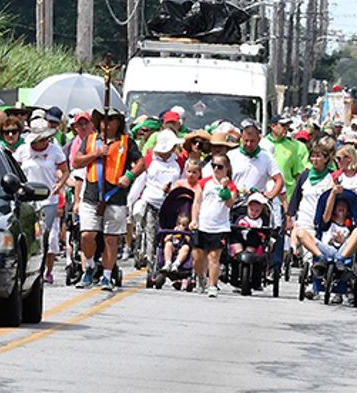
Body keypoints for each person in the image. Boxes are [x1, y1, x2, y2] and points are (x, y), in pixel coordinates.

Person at [72, 108, 144, 291]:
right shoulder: (90, 140)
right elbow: (76, 161)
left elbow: (141, 163)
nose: (108, 123)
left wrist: (129, 175)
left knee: (111, 239)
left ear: (118, 122)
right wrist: (96, 154)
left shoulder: (126, 142)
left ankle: (107, 275)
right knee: (87, 235)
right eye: (104, 120)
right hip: (91, 195)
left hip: (115, 196)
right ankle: (88, 267)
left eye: (112, 119)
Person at [13, 119, 69, 284]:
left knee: (48, 235)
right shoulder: (23, 150)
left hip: (48, 198)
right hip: (28, 199)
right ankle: (31, 268)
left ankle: (47, 270)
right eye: (41, 139)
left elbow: (65, 170)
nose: (44, 142)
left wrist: (60, 184)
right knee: (31, 234)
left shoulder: (55, 150)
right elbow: (15, 170)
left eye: (46, 138)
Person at [286, 136, 337, 298]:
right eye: (313, 156)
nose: (315, 159)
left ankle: (316, 282)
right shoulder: (305, 176)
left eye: (319, 156)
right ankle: (309, 282)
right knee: (307, 251)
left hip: (323, 219)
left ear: (326, 159)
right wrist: (290, 216)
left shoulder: (332, 177)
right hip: (305, 217)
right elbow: (296, 198)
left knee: (318, 248)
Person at [132, 130, 184, 266]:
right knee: (150, 231)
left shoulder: (179, 162)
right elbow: (140, 182)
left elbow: (182, 181)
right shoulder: (149, 160)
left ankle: (165, 258)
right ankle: (150, 260)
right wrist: (130, 202)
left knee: (167, 234)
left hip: (171, 204)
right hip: (151, 202)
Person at [190, 153, 238, 297]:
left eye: (220, 166)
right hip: (203, 224)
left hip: (219, 226)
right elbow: (197, 202)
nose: (216, 169)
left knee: (214, 257)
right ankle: (200, 278)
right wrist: (194, 220)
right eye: (214, 166)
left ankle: (212, 285)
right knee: (197, 257)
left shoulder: (231, 186)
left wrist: (224, 188)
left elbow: (230, 203)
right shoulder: (204, 183)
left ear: (226, 168)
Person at [228, 119, 284, 206]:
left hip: (256, 205)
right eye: (246, 141)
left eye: (252, 141)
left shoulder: (267, 157)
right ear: (242, 139)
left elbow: (279, 180)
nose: (249, 144)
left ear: (258, 139)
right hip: (235, 203)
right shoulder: (232, 155)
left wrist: (271, 195)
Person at [263, 114, 308, 212]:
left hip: (287, 197)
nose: (286, 128)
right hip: (266, 195)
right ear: (272, 126)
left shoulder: (293, 146)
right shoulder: (262, 144)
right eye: (283, 125)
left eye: (287, 126)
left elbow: (297, 173)